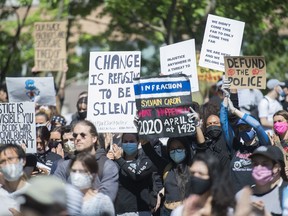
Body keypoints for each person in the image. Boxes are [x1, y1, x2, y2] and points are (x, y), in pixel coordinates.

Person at [53, 120, 119, 201]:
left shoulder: (107, 166)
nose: (77, 138)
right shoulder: (64, 165)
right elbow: (55, 195)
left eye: (83, 135)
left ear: (94, 138)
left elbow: (106, 199)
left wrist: (70, 196)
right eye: (75, 135)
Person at [221, 92, 271, 194]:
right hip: (235, 197)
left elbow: (257, 125)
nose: (244, 130)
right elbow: (223, 122)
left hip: (256, 196)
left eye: (247, 127)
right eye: (241, 128)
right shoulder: (235, 146)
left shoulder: (262, 146)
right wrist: (225, 98)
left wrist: (235, 111)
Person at [141, 136, 193, 215]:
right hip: (166, 212)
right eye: (172, 149)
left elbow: (202, 146)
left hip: (185, 211)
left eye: (179, 148)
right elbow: (148, 150)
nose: (175, 151)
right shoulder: (166, 166)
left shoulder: (193, 167)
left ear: (186, 149)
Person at [108, 133, 157, 215]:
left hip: (142, 211)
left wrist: (119, 159)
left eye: (131, 141)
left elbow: (136, 175)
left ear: (138, 143)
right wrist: (106, 161)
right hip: (121, 211)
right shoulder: (115, 162)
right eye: (125, 141)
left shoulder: (145, 160)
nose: (128, 144)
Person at [237, 145, 288, 216]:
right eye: (255, 163)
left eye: (265, 164)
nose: (258, 168)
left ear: (277, 167)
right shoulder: (244, 195)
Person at [0, 144, 29, 216]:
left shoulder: (37, 194)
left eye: (10, 159)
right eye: (3, 161)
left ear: (23, 161)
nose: (7, 164)